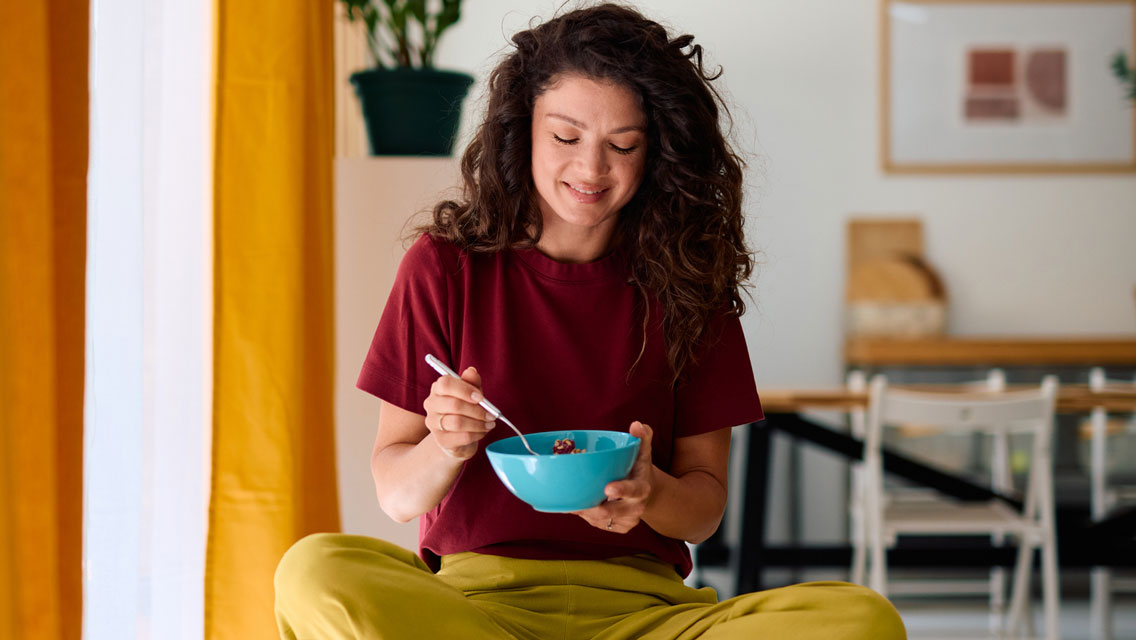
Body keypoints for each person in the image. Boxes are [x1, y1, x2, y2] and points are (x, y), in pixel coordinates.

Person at [274, 4, 906, 639]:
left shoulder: (689, 282)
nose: (591, 170)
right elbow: (395, 494)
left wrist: (650, 493)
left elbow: (705, 506)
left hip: (646, 616)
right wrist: (446, 444)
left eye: (622, 145)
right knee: (314, 570)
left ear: (656, 150)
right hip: (476, 611)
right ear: (523, 131)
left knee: (859, 619)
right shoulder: (443, 268)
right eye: (566, 138)